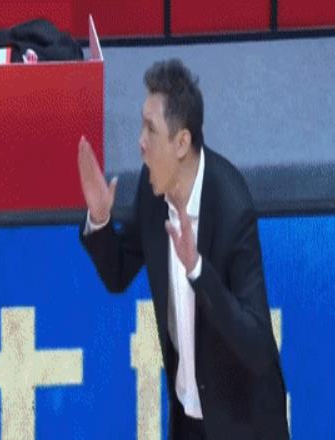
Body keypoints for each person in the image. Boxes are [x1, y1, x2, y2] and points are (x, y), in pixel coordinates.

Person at [78, 59, 289, 440]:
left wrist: (197, 270)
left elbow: (258, 345)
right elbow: (118, 273)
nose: (140, 142)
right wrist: (100, 218)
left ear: (181, 143)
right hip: (189, 416)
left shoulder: (231, 207)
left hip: (244, 424)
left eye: (150, 129)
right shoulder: (153, 191)